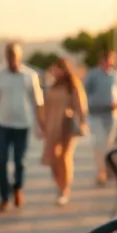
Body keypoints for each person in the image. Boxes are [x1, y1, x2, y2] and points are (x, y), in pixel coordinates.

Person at [0, 42, 45, 213]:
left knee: (20, 161)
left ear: (19, 56)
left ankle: (18, 187)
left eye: (14, 55)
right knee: (1, 161)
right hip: (1, 125)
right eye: (9, 55)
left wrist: (41, 124)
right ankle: (3, 197)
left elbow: (38, 102)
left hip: (22, 125)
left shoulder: (30, 75)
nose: (12, 58)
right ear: (6, 56)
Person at [41, 57, 88, 205]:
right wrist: (42, 125)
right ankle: (59, 183)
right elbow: (44, 107)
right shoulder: (52, 86)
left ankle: (64, 189)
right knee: (53, 158)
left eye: (56, 68)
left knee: (64, 157)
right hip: (52, 126)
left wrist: (82, 122)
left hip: (66, 125)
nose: (53, 71)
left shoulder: (72, 85)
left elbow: (81, 106)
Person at [83, 50, 117, 186]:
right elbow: (85, 92)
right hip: (96, 114)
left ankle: (108, 169)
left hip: (113, 113)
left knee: (109, 143)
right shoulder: (92, 75)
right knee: (98, 144)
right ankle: (101, 171)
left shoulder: (116, 75)